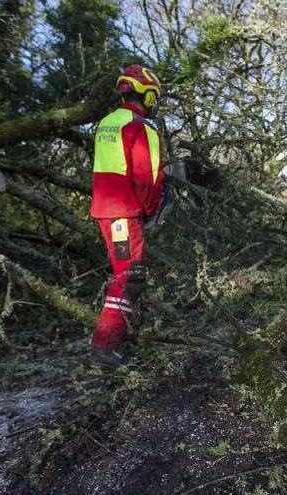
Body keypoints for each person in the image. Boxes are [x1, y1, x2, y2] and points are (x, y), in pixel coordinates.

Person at [89, 64, 165, 369]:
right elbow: (146, 177)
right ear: (146, 94)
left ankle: (117, 340)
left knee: (126, 275)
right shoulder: (140, 127)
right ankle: (105, 348)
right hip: (123, 213)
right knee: (128, 278)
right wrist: (152, 210)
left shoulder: (107, 122)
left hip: (107, 209)